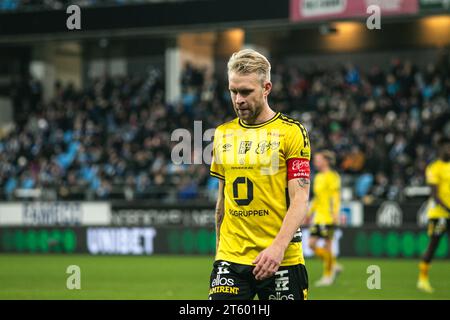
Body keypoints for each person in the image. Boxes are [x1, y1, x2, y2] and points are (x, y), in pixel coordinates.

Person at [208, 49, 311, 300]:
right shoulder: (222, 134)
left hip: (281, 259)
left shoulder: (292, 132)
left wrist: (277, 248)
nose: (238, 99)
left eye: (246, 92)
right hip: (231, 258)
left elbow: (300, 199)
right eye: (233, 91)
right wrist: (220, 251)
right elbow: (222, 202)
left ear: (266, 88)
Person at [417, 137, 450, 293]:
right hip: (439, 215)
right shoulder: (434, 168)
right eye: (446, 147)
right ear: (440, 149)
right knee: (434, 245)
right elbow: (435, 195)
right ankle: (422, 279)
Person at [306, 150, 342, 286]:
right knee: (311, 244)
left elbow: (335, 196)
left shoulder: (333, 176)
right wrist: (309, 214)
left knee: (328, 246)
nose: (315, 162)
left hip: (328, 216)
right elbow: (316, 198)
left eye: (318, 159)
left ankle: (328, 276)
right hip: (318, 217)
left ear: (326, 161)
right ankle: (334, 265)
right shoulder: (318, 177)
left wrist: (335, 213)